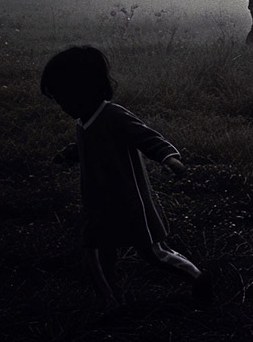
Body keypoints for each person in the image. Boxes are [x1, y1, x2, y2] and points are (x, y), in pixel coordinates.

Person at [41, 46, 212, 310]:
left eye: (63, 96)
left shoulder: (113, 116)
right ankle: (111, 301)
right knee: (95, 249)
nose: (61, 105)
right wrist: (67, 155)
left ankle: (198, 278)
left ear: (84, 89)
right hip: (97, 203)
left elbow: (146, 137)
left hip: (129, 201)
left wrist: (169, 157)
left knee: (153, 252)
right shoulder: (83, 121)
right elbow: (85, 144)